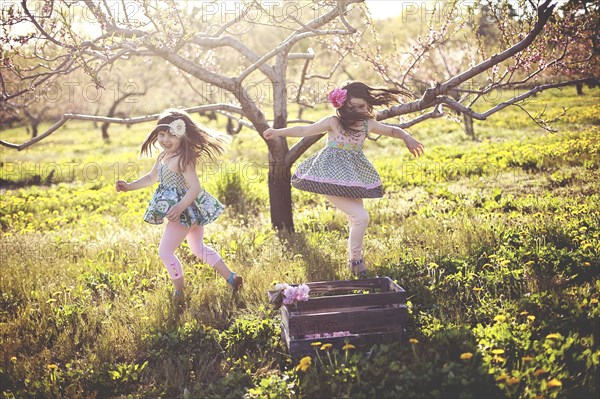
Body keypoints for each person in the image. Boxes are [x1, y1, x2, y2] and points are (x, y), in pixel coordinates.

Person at [263, 82, 424, 276]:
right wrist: (278, 132)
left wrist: (407, 137)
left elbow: (392, 131)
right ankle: (356, 260)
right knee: (361, 217)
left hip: (353, 177)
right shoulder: (334, 122)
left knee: (355, 218)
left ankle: (353, 261)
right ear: (343, 105)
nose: (357, 110)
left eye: (362, 107)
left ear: (368, 105)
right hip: (329, 179)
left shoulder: (367, 124)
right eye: (352, 106)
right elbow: (305, 130)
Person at [116, 109, 243, 304]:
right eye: (162, 134)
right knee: (198, 248)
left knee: (165, 252)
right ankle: (231, 278)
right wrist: (129, 186)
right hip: (189, 213)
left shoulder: (183, 159)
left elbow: (195, 187)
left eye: (172, 135)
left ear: (182, 136)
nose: (165, 139)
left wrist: (180, 207)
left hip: (183, 213)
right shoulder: (163, 156)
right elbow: (151, 178)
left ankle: (179, 293)